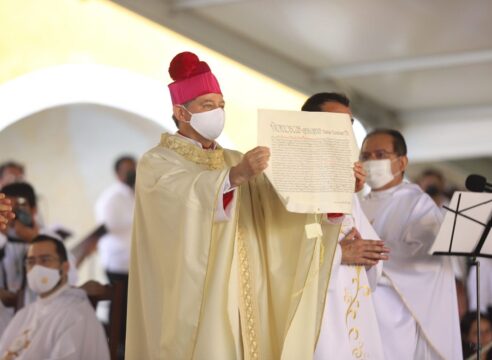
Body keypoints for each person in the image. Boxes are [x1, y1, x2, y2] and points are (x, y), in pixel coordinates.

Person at [126, 51, 344, 359]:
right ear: (181, 111)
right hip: (196, 294)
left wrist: (332, 199)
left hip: (246, 291)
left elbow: (279, 211)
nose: (217, 112)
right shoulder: (157, 161)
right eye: (207, 105)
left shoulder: (232, 158)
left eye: (221, 105)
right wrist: (233, 177)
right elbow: (180, 201)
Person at [360, 129, 461, 359]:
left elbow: (427, 260)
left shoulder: (418, 204)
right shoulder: (358, 204)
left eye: (380, 154)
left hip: (396, 316)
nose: (371, 162)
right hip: (361, 311)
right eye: (366, 156)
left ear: (402, 161)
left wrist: (369, 253)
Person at [301, 92, 388, 359]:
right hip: (320, 309)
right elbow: (286, 246)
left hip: (353, 303)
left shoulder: (347, 184)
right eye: (337, 123)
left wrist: (372, 255)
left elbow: (368, 245)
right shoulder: (293, 177)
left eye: (349, 125)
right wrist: (340, 254)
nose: (346, 132)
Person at [0, 235, 110, 360]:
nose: (37, 267)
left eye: (45, 260)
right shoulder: (25, 314)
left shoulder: (76, 315)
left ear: (65, 267)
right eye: (31, 262)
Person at [94, 155, 136, 357]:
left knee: (131, 308)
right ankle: (116, 348)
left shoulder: (135, 193)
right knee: (119, 306)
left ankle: (127, 346)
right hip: (118, 262)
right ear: (118, 173)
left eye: (134, 168)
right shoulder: (111, 197)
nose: (133, 173)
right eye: (128, 169)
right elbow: (111, 225)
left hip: (134, 264)